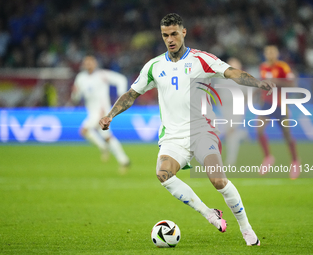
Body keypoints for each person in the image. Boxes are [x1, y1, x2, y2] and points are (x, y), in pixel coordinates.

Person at [100, 14, 275, 246]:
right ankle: (209, 213)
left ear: (183, 32)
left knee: (218, 180)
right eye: (165, 35)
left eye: (174, 33)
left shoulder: (201, 59)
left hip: (202, 131)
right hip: (172, 136)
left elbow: (233, 72)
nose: (170, 39)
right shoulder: (154, 66)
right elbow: (132, 94)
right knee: (163, 174)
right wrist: (110, 114)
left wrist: (258, 83)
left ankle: (246, 228)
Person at [71, 55, 130, 172]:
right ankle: (124, 160)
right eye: (86, 62)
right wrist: (75, 94)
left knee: (84, 130)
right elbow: (76, 97)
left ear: (95, 63)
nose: (88, 65)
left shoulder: (102, 75)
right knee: (107, 137)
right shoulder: (80, 78)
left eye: (91, 62)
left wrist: (121, 93)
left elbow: (121, 79)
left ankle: (103, 148)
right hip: (91, 111)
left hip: (102, 112)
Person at [257, 45, 300, 179]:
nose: (270, 54)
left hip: (281, 104)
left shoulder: (283, 67)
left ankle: (295, 161)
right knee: (258, 130)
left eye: (272, 52)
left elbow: (292, 84)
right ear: (265, 54)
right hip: (267, 104)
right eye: (268, 52)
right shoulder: (263, 67)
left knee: (286, 134)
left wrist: (277, 82)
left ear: (277, 54)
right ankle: (268, 157)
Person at [216, 57, 248, 166]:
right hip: (225, 108)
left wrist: (243, 107)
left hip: (237, 108)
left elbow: (246, 95)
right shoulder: (222, 78)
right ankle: (242, 134)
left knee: (231, 132)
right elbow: (218, 93)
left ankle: (231, 159)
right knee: (228, 133)